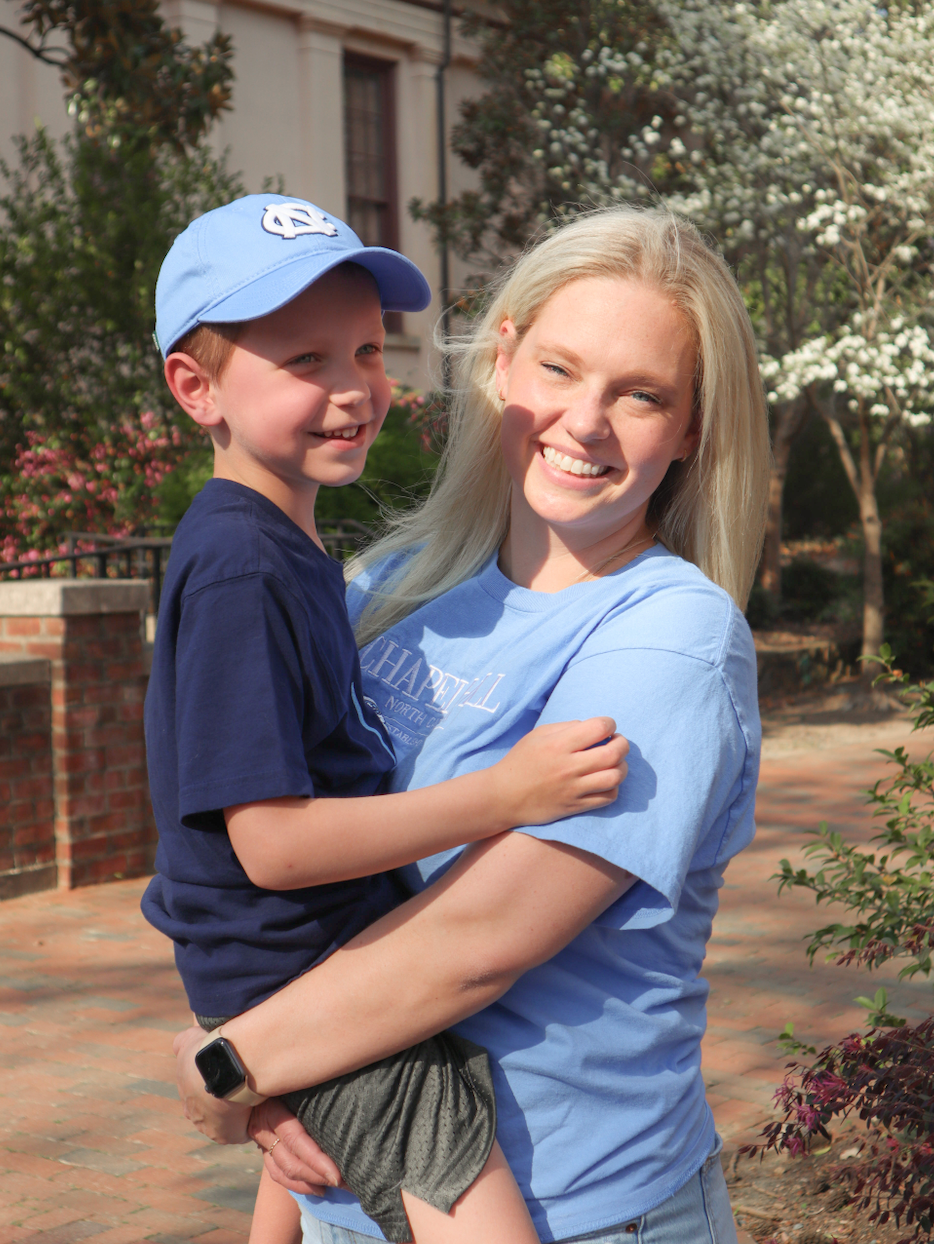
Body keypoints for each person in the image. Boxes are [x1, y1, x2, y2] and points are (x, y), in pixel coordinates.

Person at [172, 204, 771, 1243]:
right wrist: (269, 1119)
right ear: (502, 360)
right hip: (357, 1198)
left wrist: (223, 1065)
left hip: (580, 1212)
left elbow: (468, 947)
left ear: (691, 429)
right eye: (558, 369)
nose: (584, 422)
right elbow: (315, 910)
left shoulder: (670, 636)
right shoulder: (388, 585)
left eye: (640, 395)